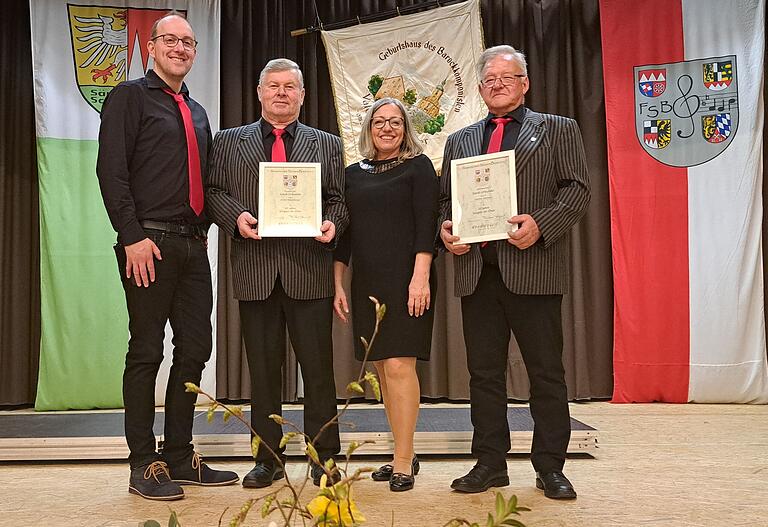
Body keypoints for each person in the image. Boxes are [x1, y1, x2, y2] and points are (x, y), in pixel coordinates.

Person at [96, 12, 238, 501]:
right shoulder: (128, 98)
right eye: (171, 40)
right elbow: (111, 171)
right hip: (148, 244)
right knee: (146, 351)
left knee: (196, 348)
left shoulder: (197, 111)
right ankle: (143, 463)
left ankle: (179, 453)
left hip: (194, 245)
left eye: (189, 43)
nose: (180, 48)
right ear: (152, 47)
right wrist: (132, 236)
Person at [439, 45, 591, 499]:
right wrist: (447, 229)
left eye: (508, 77)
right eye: (490, 79)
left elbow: (577, 189)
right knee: (483, 375)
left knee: (546, 373)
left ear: (525, 84)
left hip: (534, 268)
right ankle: (490, 463)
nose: (498, 84)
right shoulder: (459, 140)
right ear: (481, 87)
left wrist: (541, 224)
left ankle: (550, 467)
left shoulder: (558, 129)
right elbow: (447, 201)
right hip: (477, 271)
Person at [205, 58, 347, 489]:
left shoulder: (327, 144)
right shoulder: (229, 142)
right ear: (260, 92)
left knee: (319, 372)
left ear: (303, 95)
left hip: (309, 272)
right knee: (263, 371)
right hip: (256, 270)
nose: (282, 93)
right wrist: (237, 217)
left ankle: (324, 458)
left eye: (291, 87)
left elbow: (340, 199)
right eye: (274, 86)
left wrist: (333, 223)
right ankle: (267, 458)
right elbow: (213, 192)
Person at [333, 98, 439, 492]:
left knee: (399, 367)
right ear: (368, 127)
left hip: (408, 278)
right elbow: (344, 234)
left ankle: (403, 461)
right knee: (381, 369)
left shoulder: (419, 167)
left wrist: (421, 276)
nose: (388, 128)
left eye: (396, 122)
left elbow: (427, 222)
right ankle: (402, 452)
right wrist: (337, 282)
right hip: (368, 283)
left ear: (406, 127)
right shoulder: (351, 174)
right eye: (380, 121)